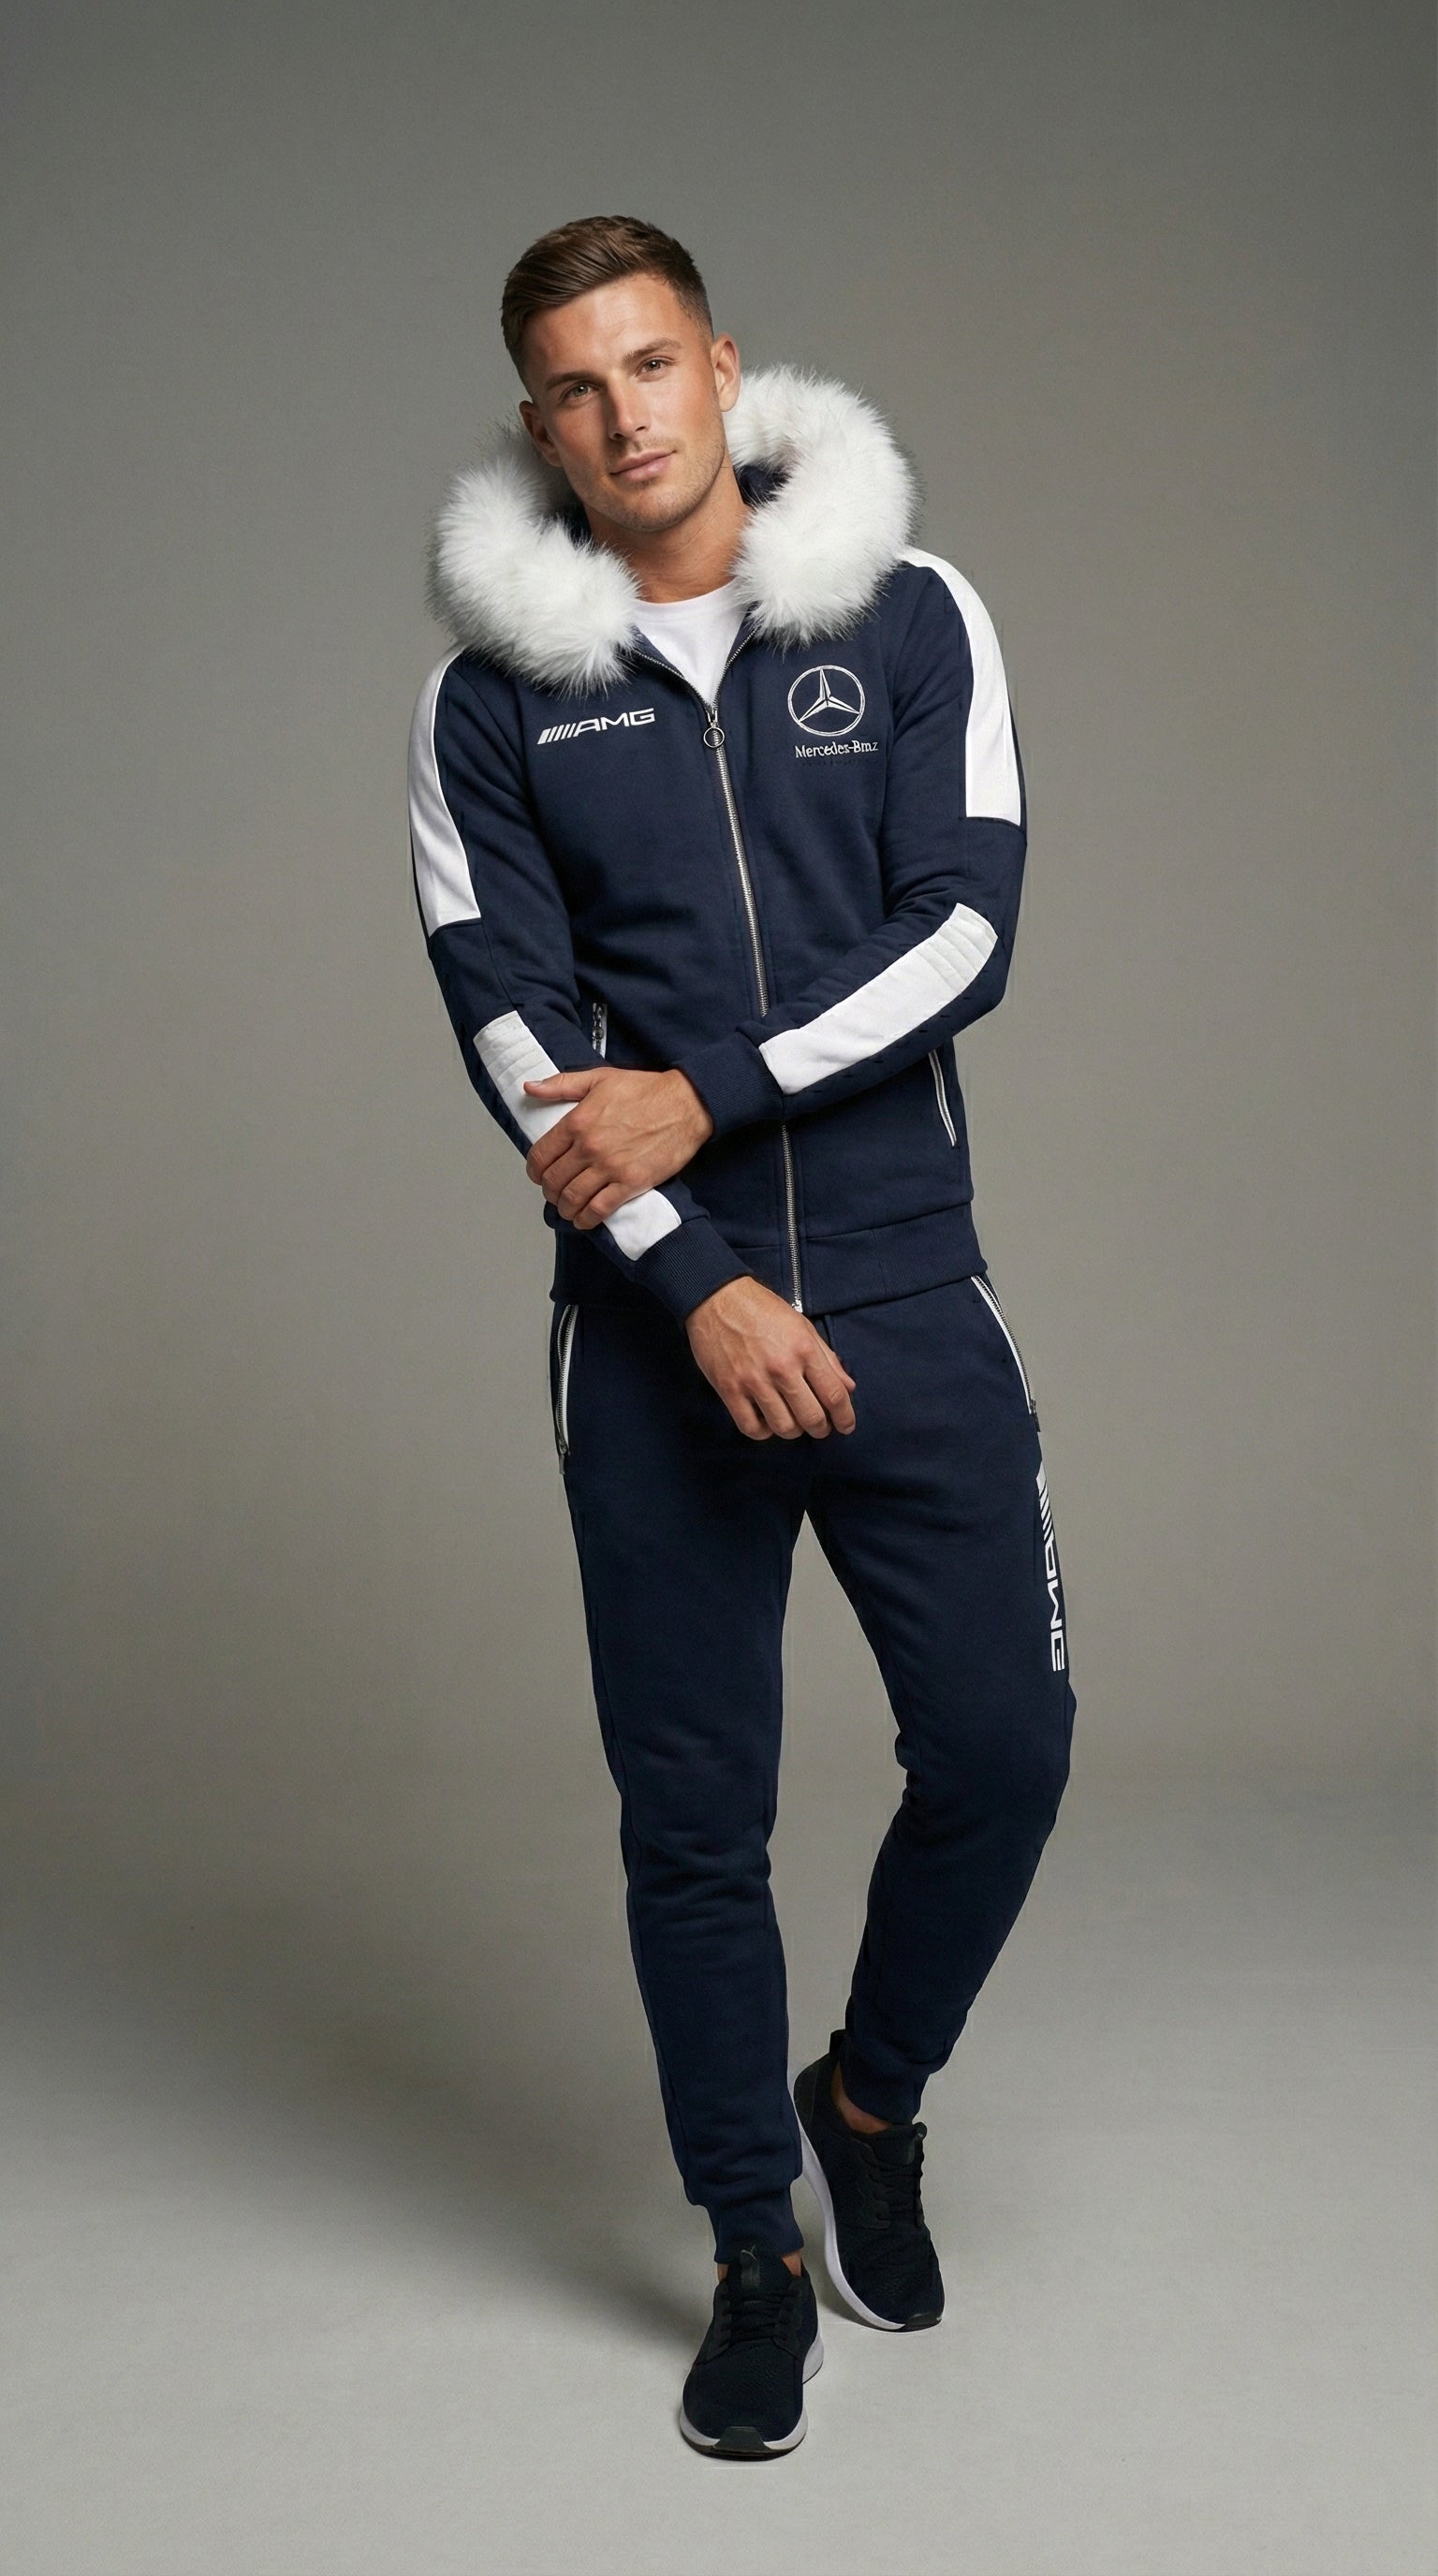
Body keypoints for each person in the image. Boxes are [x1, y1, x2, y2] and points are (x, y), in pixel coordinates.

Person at [408, 213, 1076, 2459]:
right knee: (693, 1825)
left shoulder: (906, 613)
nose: (624, 415)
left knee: (1004, 1744)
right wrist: (695, 1281)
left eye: (652, 363)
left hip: (903, 1280)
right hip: (654, 1329)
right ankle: (751, 2252)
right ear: (540, 427)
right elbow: (516, 1037)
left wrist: (711, 1087)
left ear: (720, 366)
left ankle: (865, 2098)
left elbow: (964, 931)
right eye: (576, 387)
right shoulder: (490, 701)